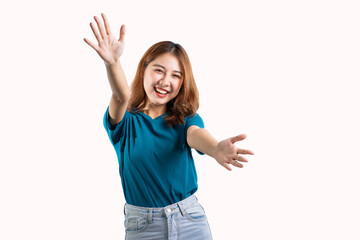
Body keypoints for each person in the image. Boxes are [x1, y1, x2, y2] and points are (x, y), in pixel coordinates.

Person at [84, 13, 255, 240]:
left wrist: (215, 149)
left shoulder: (186, 120)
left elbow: (196, 136)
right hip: (143, 227)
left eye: (176, 75)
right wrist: (112, 62)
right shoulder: (125, 123)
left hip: (190, 220)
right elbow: (120, 95)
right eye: (159, 70)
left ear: (182, 83)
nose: (166, 81)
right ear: (144, 69)